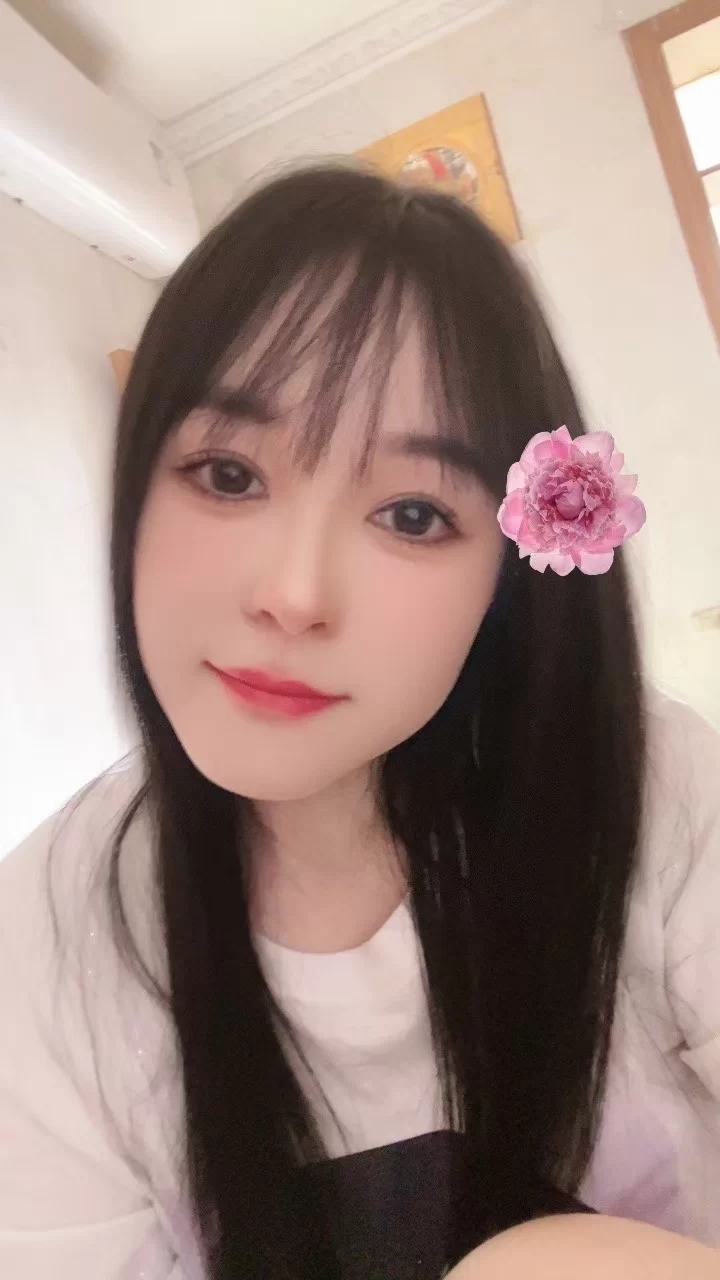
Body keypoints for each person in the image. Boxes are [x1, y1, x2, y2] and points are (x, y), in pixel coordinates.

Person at [0, 164, 718, 1280]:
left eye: (413, 513)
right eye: (227, 473)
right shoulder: (45, 942)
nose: (292, 594)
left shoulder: (662, 795)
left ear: (507, 578)